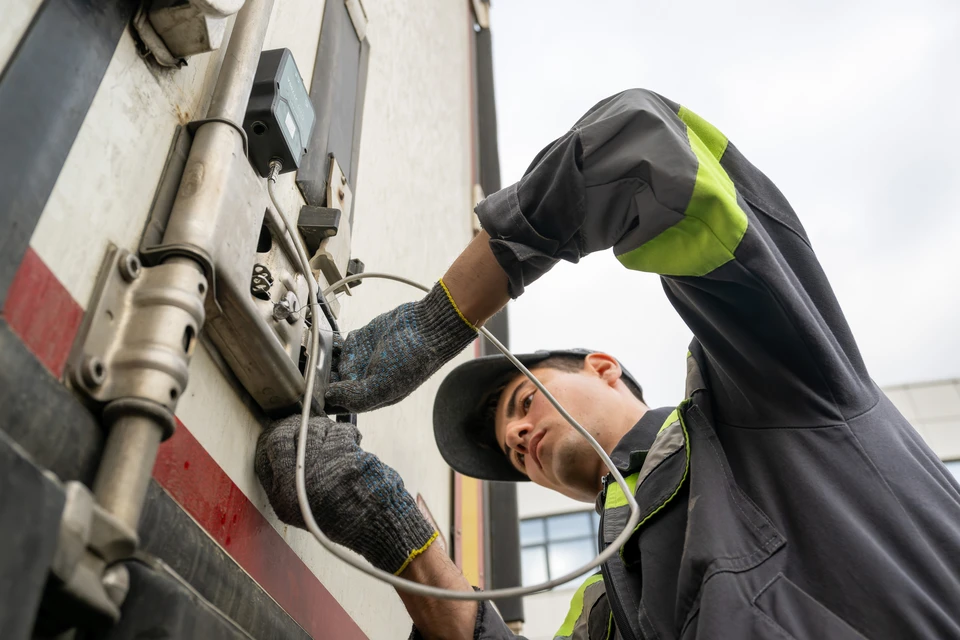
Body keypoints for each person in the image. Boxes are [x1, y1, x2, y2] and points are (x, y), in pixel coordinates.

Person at [255, 89, 960, 639]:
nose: (518, 440)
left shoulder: (765, 399)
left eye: (523, 403)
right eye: (511, 451)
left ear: (604, 367)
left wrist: (432, 324)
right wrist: (381, 525)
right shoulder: (606, 604)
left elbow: (647, 147)